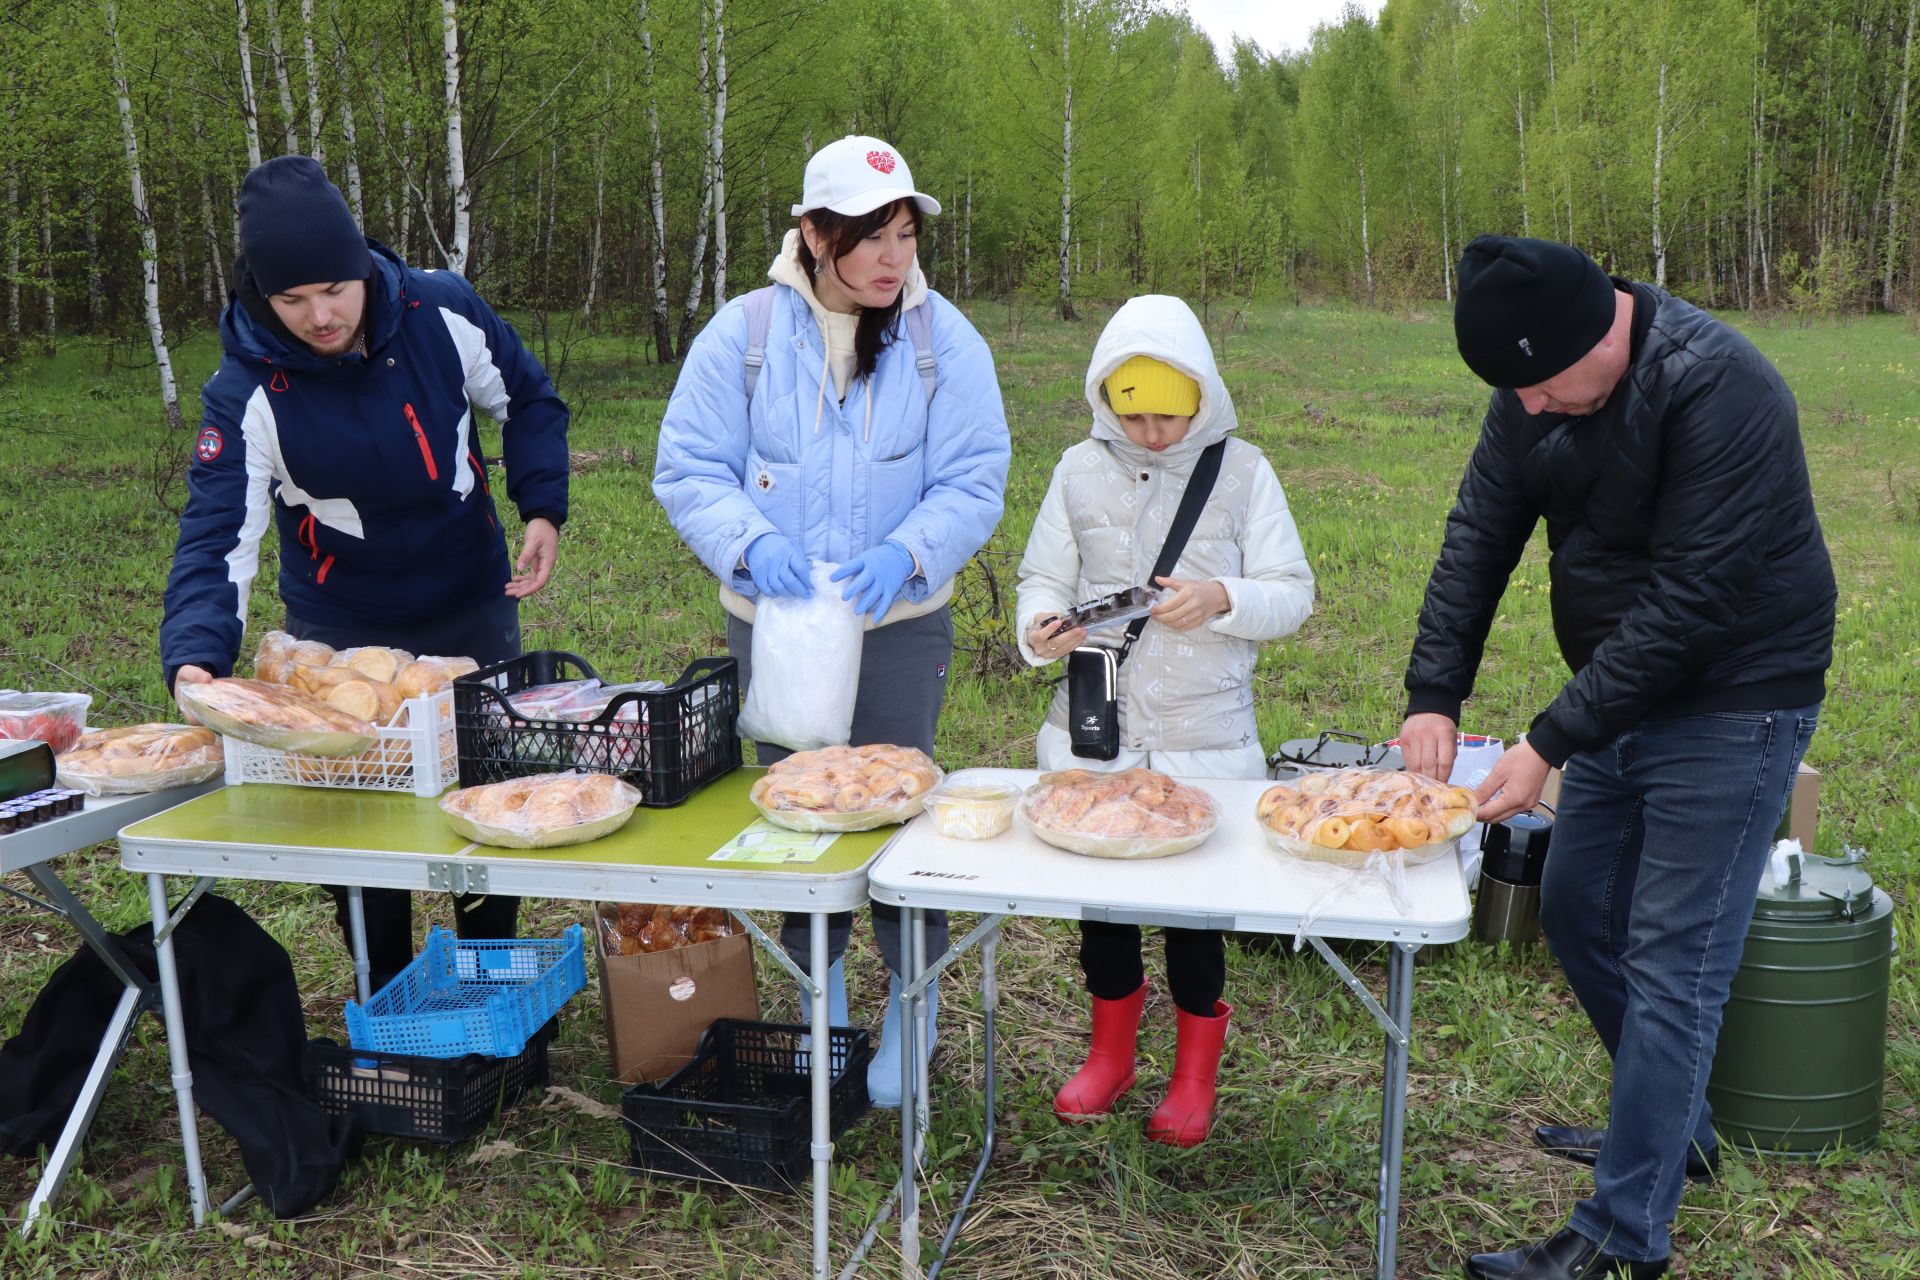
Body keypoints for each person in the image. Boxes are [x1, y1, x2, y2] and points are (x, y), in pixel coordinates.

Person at [1398, 235, 1834, 1279]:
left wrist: (1548, 740)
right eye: (1517, 391)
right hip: (1617, 691)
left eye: (1544, 384)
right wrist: (1433, 691)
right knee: (1577, 908)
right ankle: (1669, 1125)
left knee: (1674, 963)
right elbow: (1479, 533)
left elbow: (1690, 610)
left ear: (1601, 331)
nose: (1531, 407)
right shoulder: (1533, 388)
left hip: (1738, 694)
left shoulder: (1721, 388)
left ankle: (1622, 1233)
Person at [652, 135, 1010, 1107]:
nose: (894, 257)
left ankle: (914, 1001)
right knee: (802, 813)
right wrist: (743, 543)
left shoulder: (943, 341)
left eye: (904, 233)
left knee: (895, 812)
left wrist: (910, 552)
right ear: (813, 234)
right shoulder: (746, 334)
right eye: (869, 236)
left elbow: (974, 478)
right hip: (778, 630)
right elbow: (688, 467)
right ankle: (824, 995)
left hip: (897, 624)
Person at [160, 155, 570, 993]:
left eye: (334, 289)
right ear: (259, 296)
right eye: (292, 299)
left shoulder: (441, 310)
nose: (320, 315)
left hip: (468, 596)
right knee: (358, 815)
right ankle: (384, 990)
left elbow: (527, 397)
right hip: (341, 622)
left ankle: (494, 979)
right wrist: (197, 652)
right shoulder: (245, 391)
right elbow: (217, 534)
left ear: (361, 265)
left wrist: (541, 505)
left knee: (486, 786)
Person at [1016, 294, 1314, 1147]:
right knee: (1102, 910)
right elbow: (1043, 576)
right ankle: (1109, 1054)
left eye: (1167, 415)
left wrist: (1225, 599)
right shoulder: (1075, 469)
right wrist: (1040, 627)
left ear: (1202, 398)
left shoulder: (1245, 471)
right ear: (1105, 398)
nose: (1150, 432)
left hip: (1205, 739)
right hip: (1095, 733)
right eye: (1132, 413)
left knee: (1195, 918)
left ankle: (1192, 1075)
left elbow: (1292, 593)